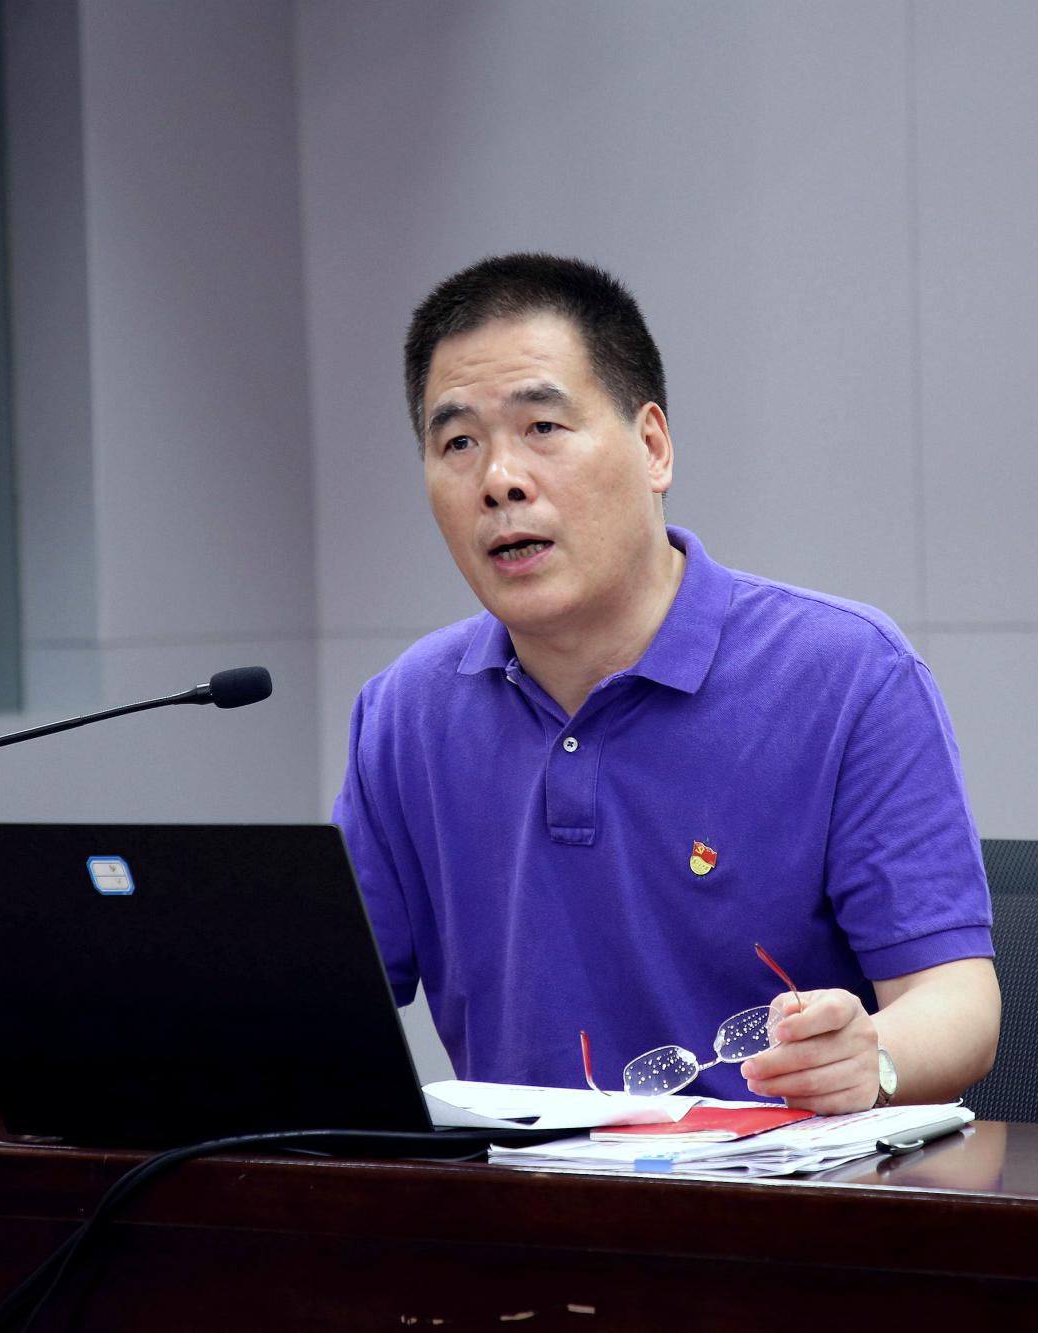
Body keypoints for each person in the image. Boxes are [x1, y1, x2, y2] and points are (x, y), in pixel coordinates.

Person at [334, 254, 998, 1113]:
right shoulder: (405, 712)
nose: (499, 479)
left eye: (543, 426)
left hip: (771, 1187)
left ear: (652, 447)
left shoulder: (846, 674)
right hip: (517, 1187)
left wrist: (874, 1055)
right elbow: (314, 1014)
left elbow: (958, 1002)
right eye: (458, 442)